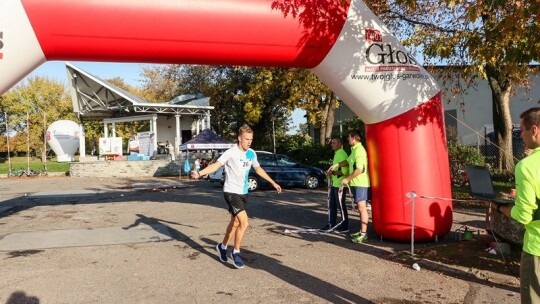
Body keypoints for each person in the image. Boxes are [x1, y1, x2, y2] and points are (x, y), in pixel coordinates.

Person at [191, 125, 281, 268]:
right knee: (244, 222)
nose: (249, 142)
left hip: (243, 192)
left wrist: (273, 182)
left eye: (251, 139)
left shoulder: (251, 153)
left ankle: (222, 246)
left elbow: (258, 169)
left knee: (235, 223)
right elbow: (216, 166)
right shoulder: (231, 153)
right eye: (246, 139)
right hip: (231, 192)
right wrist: (200, 173)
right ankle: (236, 252)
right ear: (239, 138)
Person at [490, 107, 540, 303]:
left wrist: (500, 208)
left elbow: (524, 214)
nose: (520, 135)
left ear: (534, 129)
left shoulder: (526, 166)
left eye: (521, 130)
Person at [329, 130, 370, 243]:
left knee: (362, 209)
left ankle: (363, 234)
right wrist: (337, 164)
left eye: (348, 137)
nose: (347, 139)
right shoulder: (354, 150)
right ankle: (362, 231)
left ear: (353, 137)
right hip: (356, 183)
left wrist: (347, 178)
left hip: (360, 183)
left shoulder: (359, 151)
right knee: (360, 208)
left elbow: (360, 169)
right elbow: (347, 161)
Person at [322, 137, 349, 233]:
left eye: (334, 143)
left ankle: (344, 226)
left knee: (340, 205)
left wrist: (332, 173)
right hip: (335, 184)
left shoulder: (341, 154)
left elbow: (344, 172)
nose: (332, 144)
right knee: (332, 205)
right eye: (332, 143)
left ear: (339, 144)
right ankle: (331, 224)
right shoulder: (337, 153)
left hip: (340, 185)